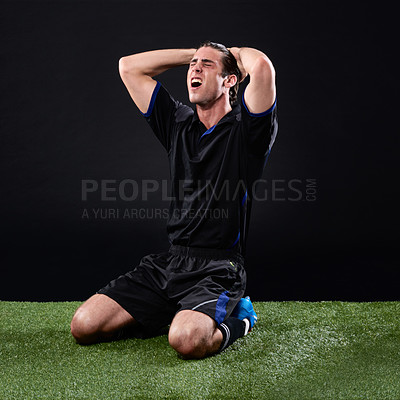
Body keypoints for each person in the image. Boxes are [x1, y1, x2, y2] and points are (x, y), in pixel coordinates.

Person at [70, 41, 278, 359]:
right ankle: (180, 310)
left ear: (230, 80)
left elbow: (261, 67)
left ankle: (241, 318)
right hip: (171, 264)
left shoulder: (247, 133)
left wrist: (234, 55)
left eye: (206, 66)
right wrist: (194, 56)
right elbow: (129, 66)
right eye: (193, 65)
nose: (195, 69)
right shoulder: (178, 123)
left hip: (219, 267)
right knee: (83, 326)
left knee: (186, 341)